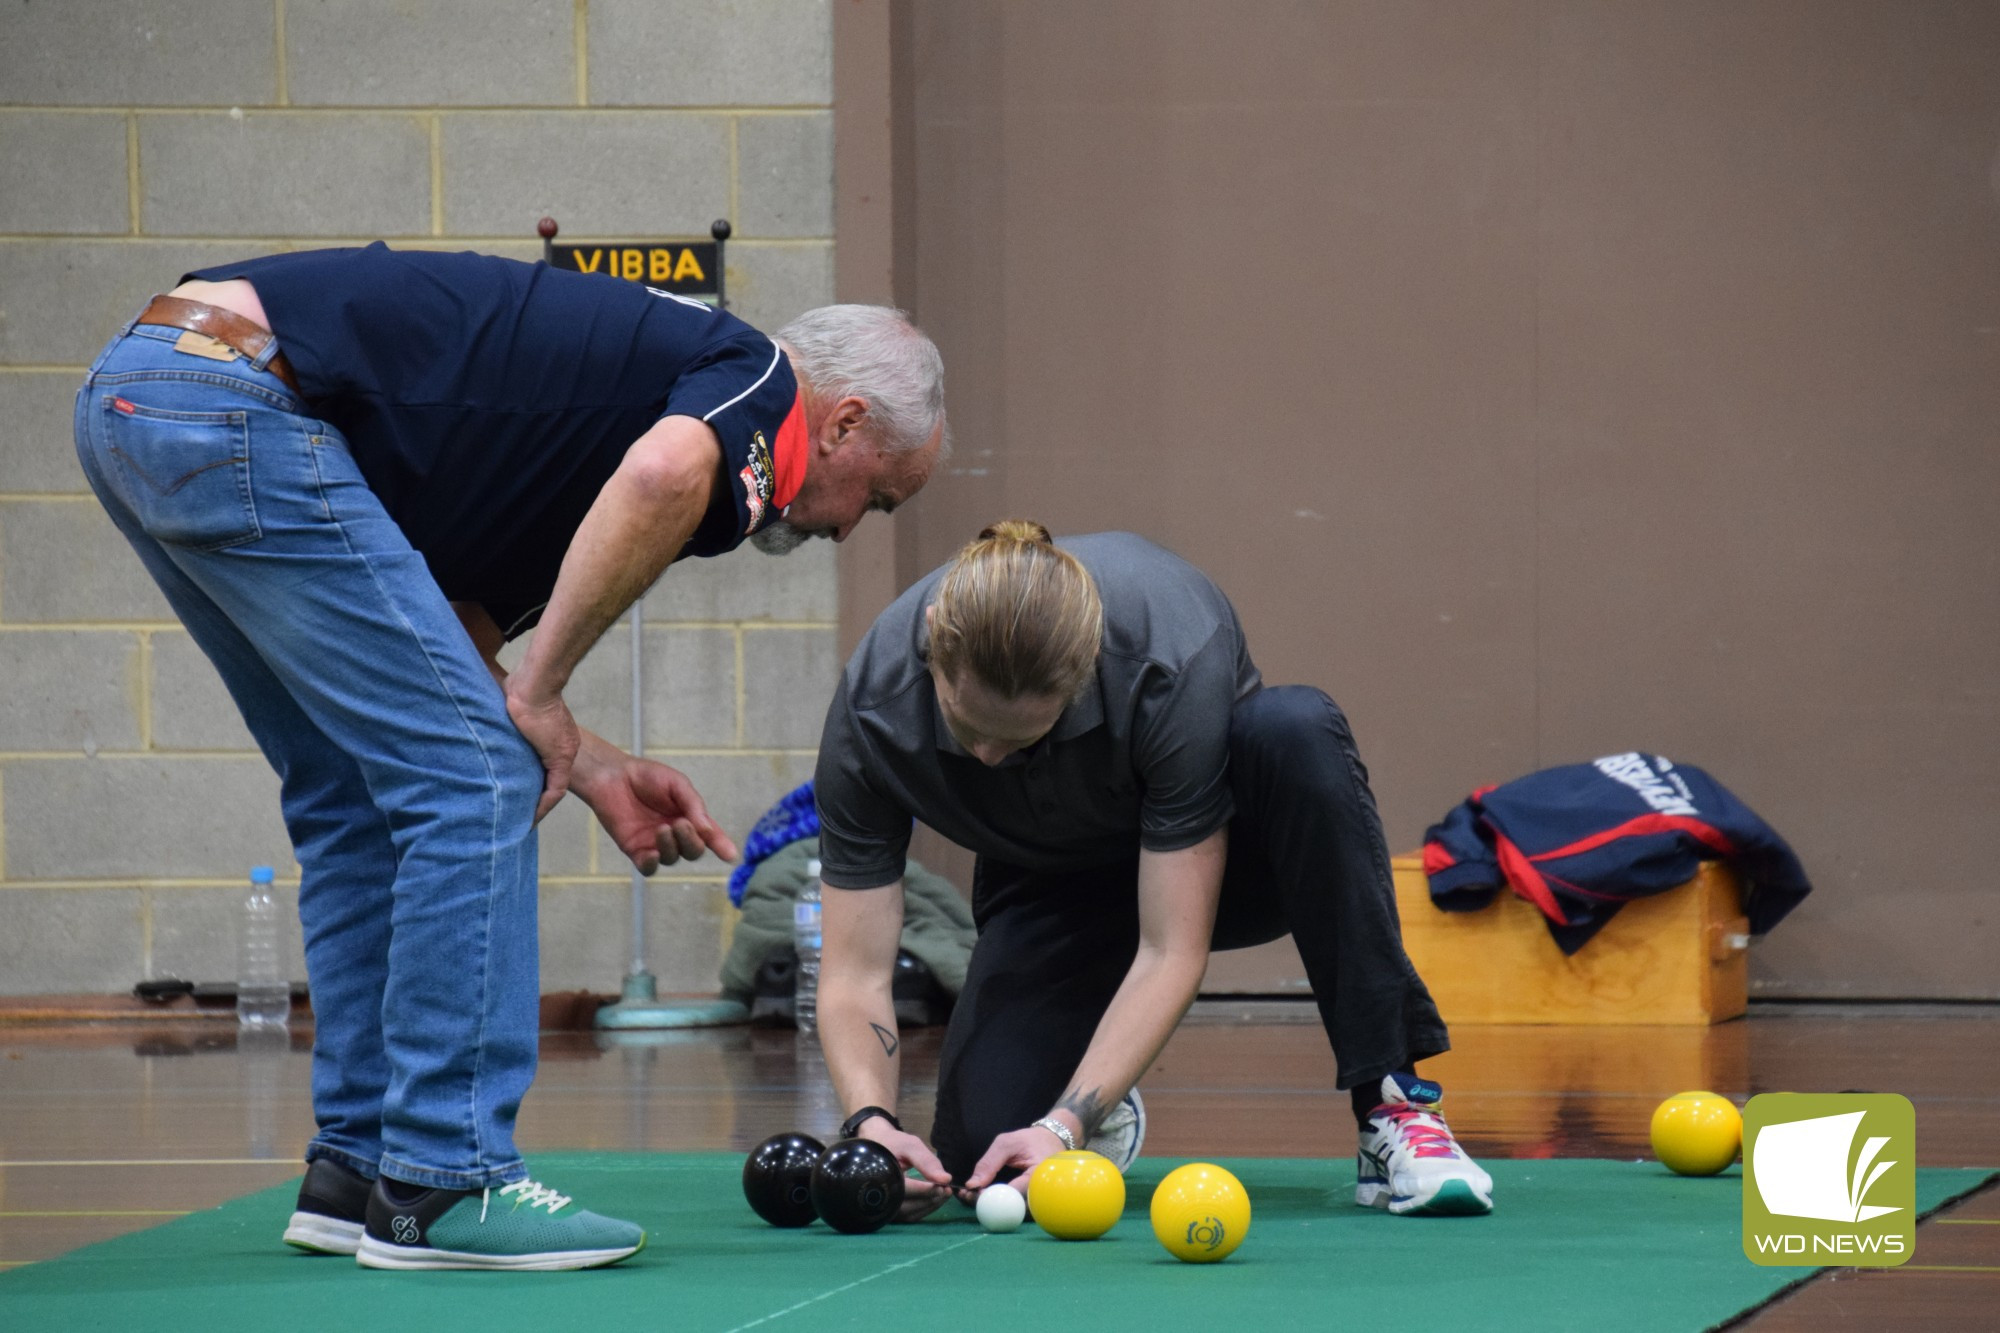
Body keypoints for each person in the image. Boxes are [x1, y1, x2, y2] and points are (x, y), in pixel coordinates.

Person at [71, 244, 946, 1270]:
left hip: (149, 393)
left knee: (356, 789)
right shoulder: (759, 383)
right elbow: (660, 476)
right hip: (237, 399)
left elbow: (449, 641)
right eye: (877, 499)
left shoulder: (588, 435)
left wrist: (594, 765)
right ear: (840, 422)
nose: (852, 531)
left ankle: (355, 1169)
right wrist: (537, 705)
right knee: (477, 776)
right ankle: (448, 1175)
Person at [812, 522, 1492, 1221]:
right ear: (933, 639)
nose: (986, 757)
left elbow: (1172, 948)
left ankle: (1392, 1106)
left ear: (1084, 670)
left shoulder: (1166, 651)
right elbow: (854, 973)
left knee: (1297, 730)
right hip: (1050, 884)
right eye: (966, 726)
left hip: (1223, 863)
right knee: (979, 1160)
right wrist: (871, 1125)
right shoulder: (870, 713)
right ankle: (1103, 1087)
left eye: (1019, 739)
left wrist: (1061, 1123)